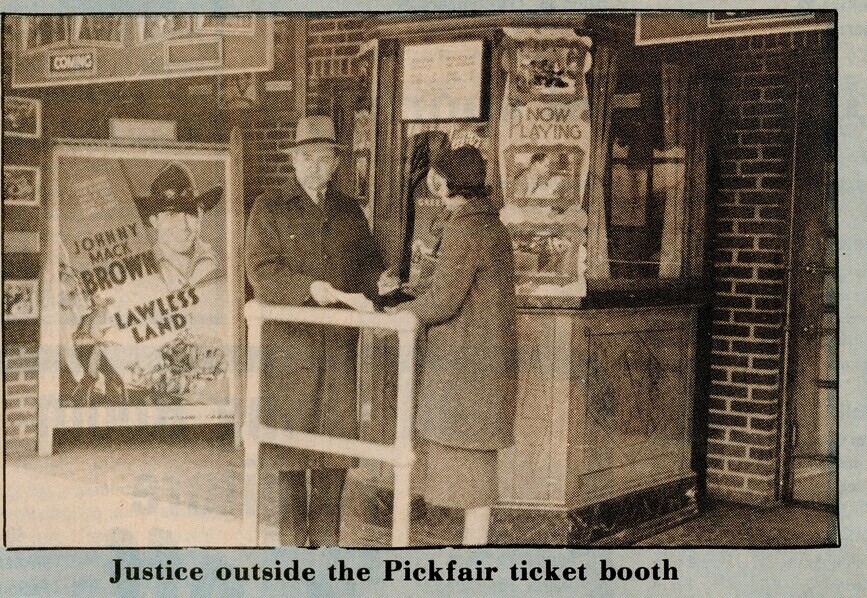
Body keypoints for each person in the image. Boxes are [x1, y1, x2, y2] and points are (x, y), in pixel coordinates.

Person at [245, 115, 388, 546]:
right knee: (289, 458)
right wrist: (309, 289)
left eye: (323, 158)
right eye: (307, 158)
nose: (315, 167)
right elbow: (261, 271)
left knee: (333, 459)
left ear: (335, 164)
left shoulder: (349, 211)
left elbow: (366, 267)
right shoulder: (269, 207)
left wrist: (380, 283)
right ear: (294, 161)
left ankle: (327, 550)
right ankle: (293, 553)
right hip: (291, 350)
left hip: (338, 351)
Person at [395, 145, 518, 545]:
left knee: (468, 468)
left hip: (465, 368)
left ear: (449, 183)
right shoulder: (492, 224)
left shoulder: (464, 228)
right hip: (485, 366)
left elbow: (444, 300)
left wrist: (399, 313)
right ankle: (473, 547)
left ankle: (471, 553)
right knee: (477, 470)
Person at [134, 162, 223, 290]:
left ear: (200, 214)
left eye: (191, 212)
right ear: (154, 221)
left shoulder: (214, 262)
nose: (183, 226)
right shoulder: (142, 269)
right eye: (172, 215)